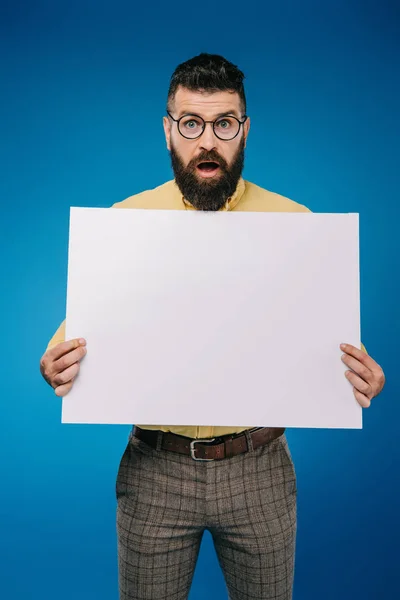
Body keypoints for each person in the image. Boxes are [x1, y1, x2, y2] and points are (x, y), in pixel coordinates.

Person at [39, 53, 386, 600]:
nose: (208, 141)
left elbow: (335, 346)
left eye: (224, 124)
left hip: (261, 470)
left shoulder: (295, 225)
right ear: (168, 131)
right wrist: (54, 362)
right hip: (155, 470)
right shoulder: (125, 224)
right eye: (191, 124)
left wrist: (364, 375)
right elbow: (74, 337)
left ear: (243, 130)